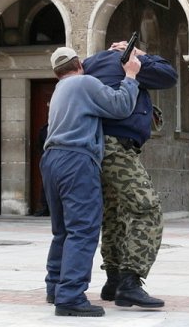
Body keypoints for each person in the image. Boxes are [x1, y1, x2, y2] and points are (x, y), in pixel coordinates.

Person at [41, 46, 141, 317]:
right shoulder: (83, 82)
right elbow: (120, 106)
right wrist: (130, 76)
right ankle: (71, 297)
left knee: (62, 230)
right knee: (83, 229)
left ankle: (55, 287)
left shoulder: (60, 90)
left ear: (55, 72)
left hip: (51, 159)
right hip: (76, 160)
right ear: (79, 64)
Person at [82, 41, 177, 308]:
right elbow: (169, 75)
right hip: (117, 148)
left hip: (97, 146)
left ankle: (113, 279)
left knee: (114, 214)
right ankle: (130, 282)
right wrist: (143, 55)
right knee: (147, 209)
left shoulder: (91, 63)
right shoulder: (128, 62)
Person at [34, 122, 50, 217]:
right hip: (47, 158)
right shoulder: (44, 129)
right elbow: (39, 145)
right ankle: (45, 208)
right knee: (46, 184)